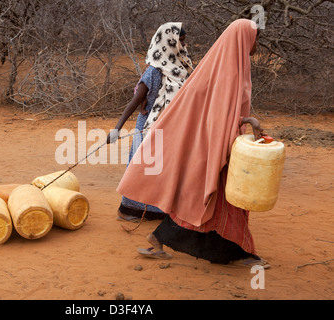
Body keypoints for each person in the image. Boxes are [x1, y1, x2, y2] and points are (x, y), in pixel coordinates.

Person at [116, 19, 270, 268]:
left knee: (207, 202)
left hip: (220, 142)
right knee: (206, 201)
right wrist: (249, 120)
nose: (257, 45)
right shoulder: (226, 69)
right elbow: (217, 113)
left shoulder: (229, 65)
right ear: (244, 39)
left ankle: (163, 240)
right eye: (256, 39)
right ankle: (240, 253)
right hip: (207, 143)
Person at [107, 22, 193, 223]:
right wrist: (116, 129)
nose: (182, 47)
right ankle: (128, 210)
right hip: (147, 128)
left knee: (162, 172)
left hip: (170, 129)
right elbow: (135, 102)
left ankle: (156, 212)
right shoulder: (154, 71)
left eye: (183, 42)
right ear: (167, 44)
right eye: (178, 43)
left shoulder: (182, 68)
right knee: (141, 171)